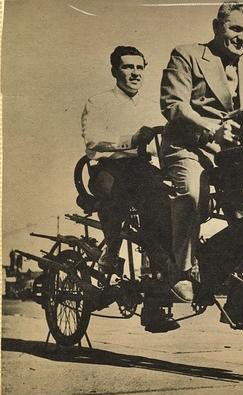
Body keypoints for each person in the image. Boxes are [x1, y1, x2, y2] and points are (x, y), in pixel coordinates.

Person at [160, 1, 243, 308]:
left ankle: (240, 296)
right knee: (192, 196)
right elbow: (173, 105)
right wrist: (211, 129)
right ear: (217, 27)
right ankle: (181, 274)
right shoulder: (188, 55)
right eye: (235, 28)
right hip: (188, 147)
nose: (242, 37)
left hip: (230, 157)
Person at [81, 45, 179, 332]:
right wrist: (132, 139)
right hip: (109, 169)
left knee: (164, 219)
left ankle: (154, 304)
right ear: (115, 71)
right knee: (115, 202)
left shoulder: (152, 106)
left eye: (139, 67)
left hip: (142, 171)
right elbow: (93, 142)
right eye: (127, 67)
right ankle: (109, 253)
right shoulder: (98, 102)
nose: (134, 73)